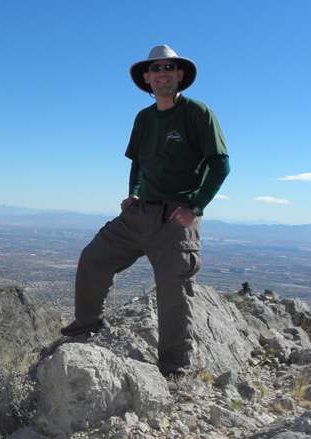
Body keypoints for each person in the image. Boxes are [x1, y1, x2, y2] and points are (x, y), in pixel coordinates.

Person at [61, 45, 230, 378]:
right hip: (140, 213)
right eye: (156, 68)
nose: (163, 72)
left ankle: (174, 367)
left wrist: (195, 206)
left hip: (176, 216)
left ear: (179, 75)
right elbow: (138, 162)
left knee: (173, 290)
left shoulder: (198, 113)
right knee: (94, 257)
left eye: (170, 66)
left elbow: (220, 164)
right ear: (147, 78)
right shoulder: (144, 118)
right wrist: (133, 193)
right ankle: (87, 324)